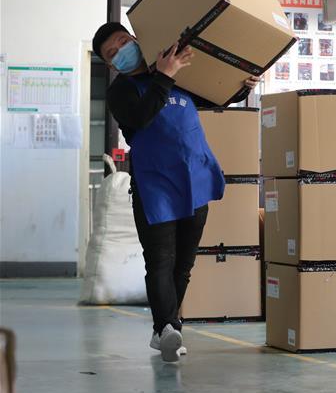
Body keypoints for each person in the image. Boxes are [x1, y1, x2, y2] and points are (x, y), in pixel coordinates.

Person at [92, 22, 260, 363]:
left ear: (135, 38)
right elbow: (141, 118)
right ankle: (166, 327)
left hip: (194, 178)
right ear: (110, 65)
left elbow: (212, 96)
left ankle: (166, 329)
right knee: (160, 260)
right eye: (113, 53)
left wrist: (242, 88)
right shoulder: (120, 91)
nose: (121, 51)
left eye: (123, 42)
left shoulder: (174, 70)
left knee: (183, 264)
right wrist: (164, 75)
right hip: (155, 186)